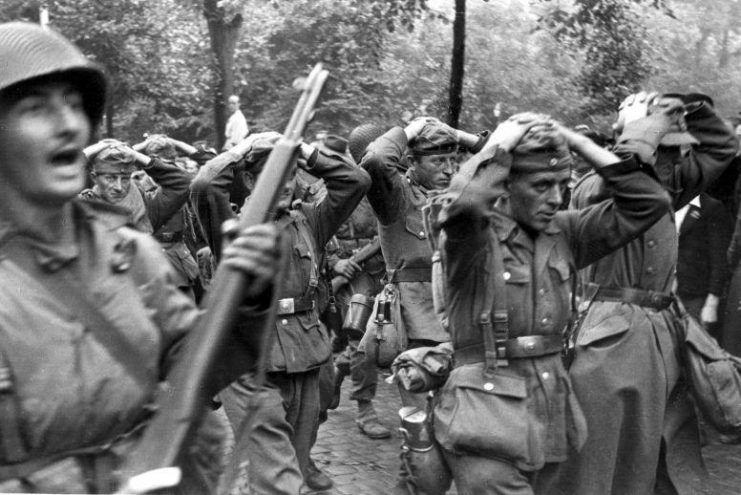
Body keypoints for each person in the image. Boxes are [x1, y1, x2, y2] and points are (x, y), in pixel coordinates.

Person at [0, 21, 280, 494]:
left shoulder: (130, 251)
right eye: (35, 108)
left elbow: (196, 370)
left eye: (73, 104)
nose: (68, 123)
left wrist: (248, 298)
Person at [417, 106, 675, 494]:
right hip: (484, 419)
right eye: (541, 186)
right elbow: (466, 205)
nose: (556, 197)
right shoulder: (471, 239)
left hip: (551, 416)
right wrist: (501, 141)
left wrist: (578, 142)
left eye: (562, 184)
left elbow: (650, 203)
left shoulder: (565, 233)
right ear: (506, 185)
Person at [540, 92, 739, 495]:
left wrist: (685, 105)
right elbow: (626, 177)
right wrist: (634, 130)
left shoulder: (668, 186)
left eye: (677, 152)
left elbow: (723, 147)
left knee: (651, 458)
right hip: (604, 342)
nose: (675, 161)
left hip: (661, 338)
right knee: (592, 459)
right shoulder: (595, 185)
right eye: (664, 151)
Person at [191, 131, 371, 493]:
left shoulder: (310, 220)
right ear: (249, 180)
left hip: (306, 349)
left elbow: (357, 181)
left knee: (294, 460)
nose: (286, 184)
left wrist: (307, 153)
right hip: (250, 358)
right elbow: (205, 185)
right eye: (275, 175)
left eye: (291, 175)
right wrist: (244, 148)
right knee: (277, 473)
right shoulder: (233, 227)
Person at [321, 132, 390, 438]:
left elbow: (387, 231)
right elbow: (315, 228)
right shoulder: (338, 184)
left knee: (383, 336)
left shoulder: (387, 187)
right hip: (350, 278)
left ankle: (339, 370)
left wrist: (360, 257)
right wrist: (335, 263)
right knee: (363, 338)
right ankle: (364, 408)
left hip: (379, 269)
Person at [675, 193, 732, 337]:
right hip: (666, 294)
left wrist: (712, 303)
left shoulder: (711, 207)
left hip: (695, 296)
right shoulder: (663, 205)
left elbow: (719, 259)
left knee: (695, 349)